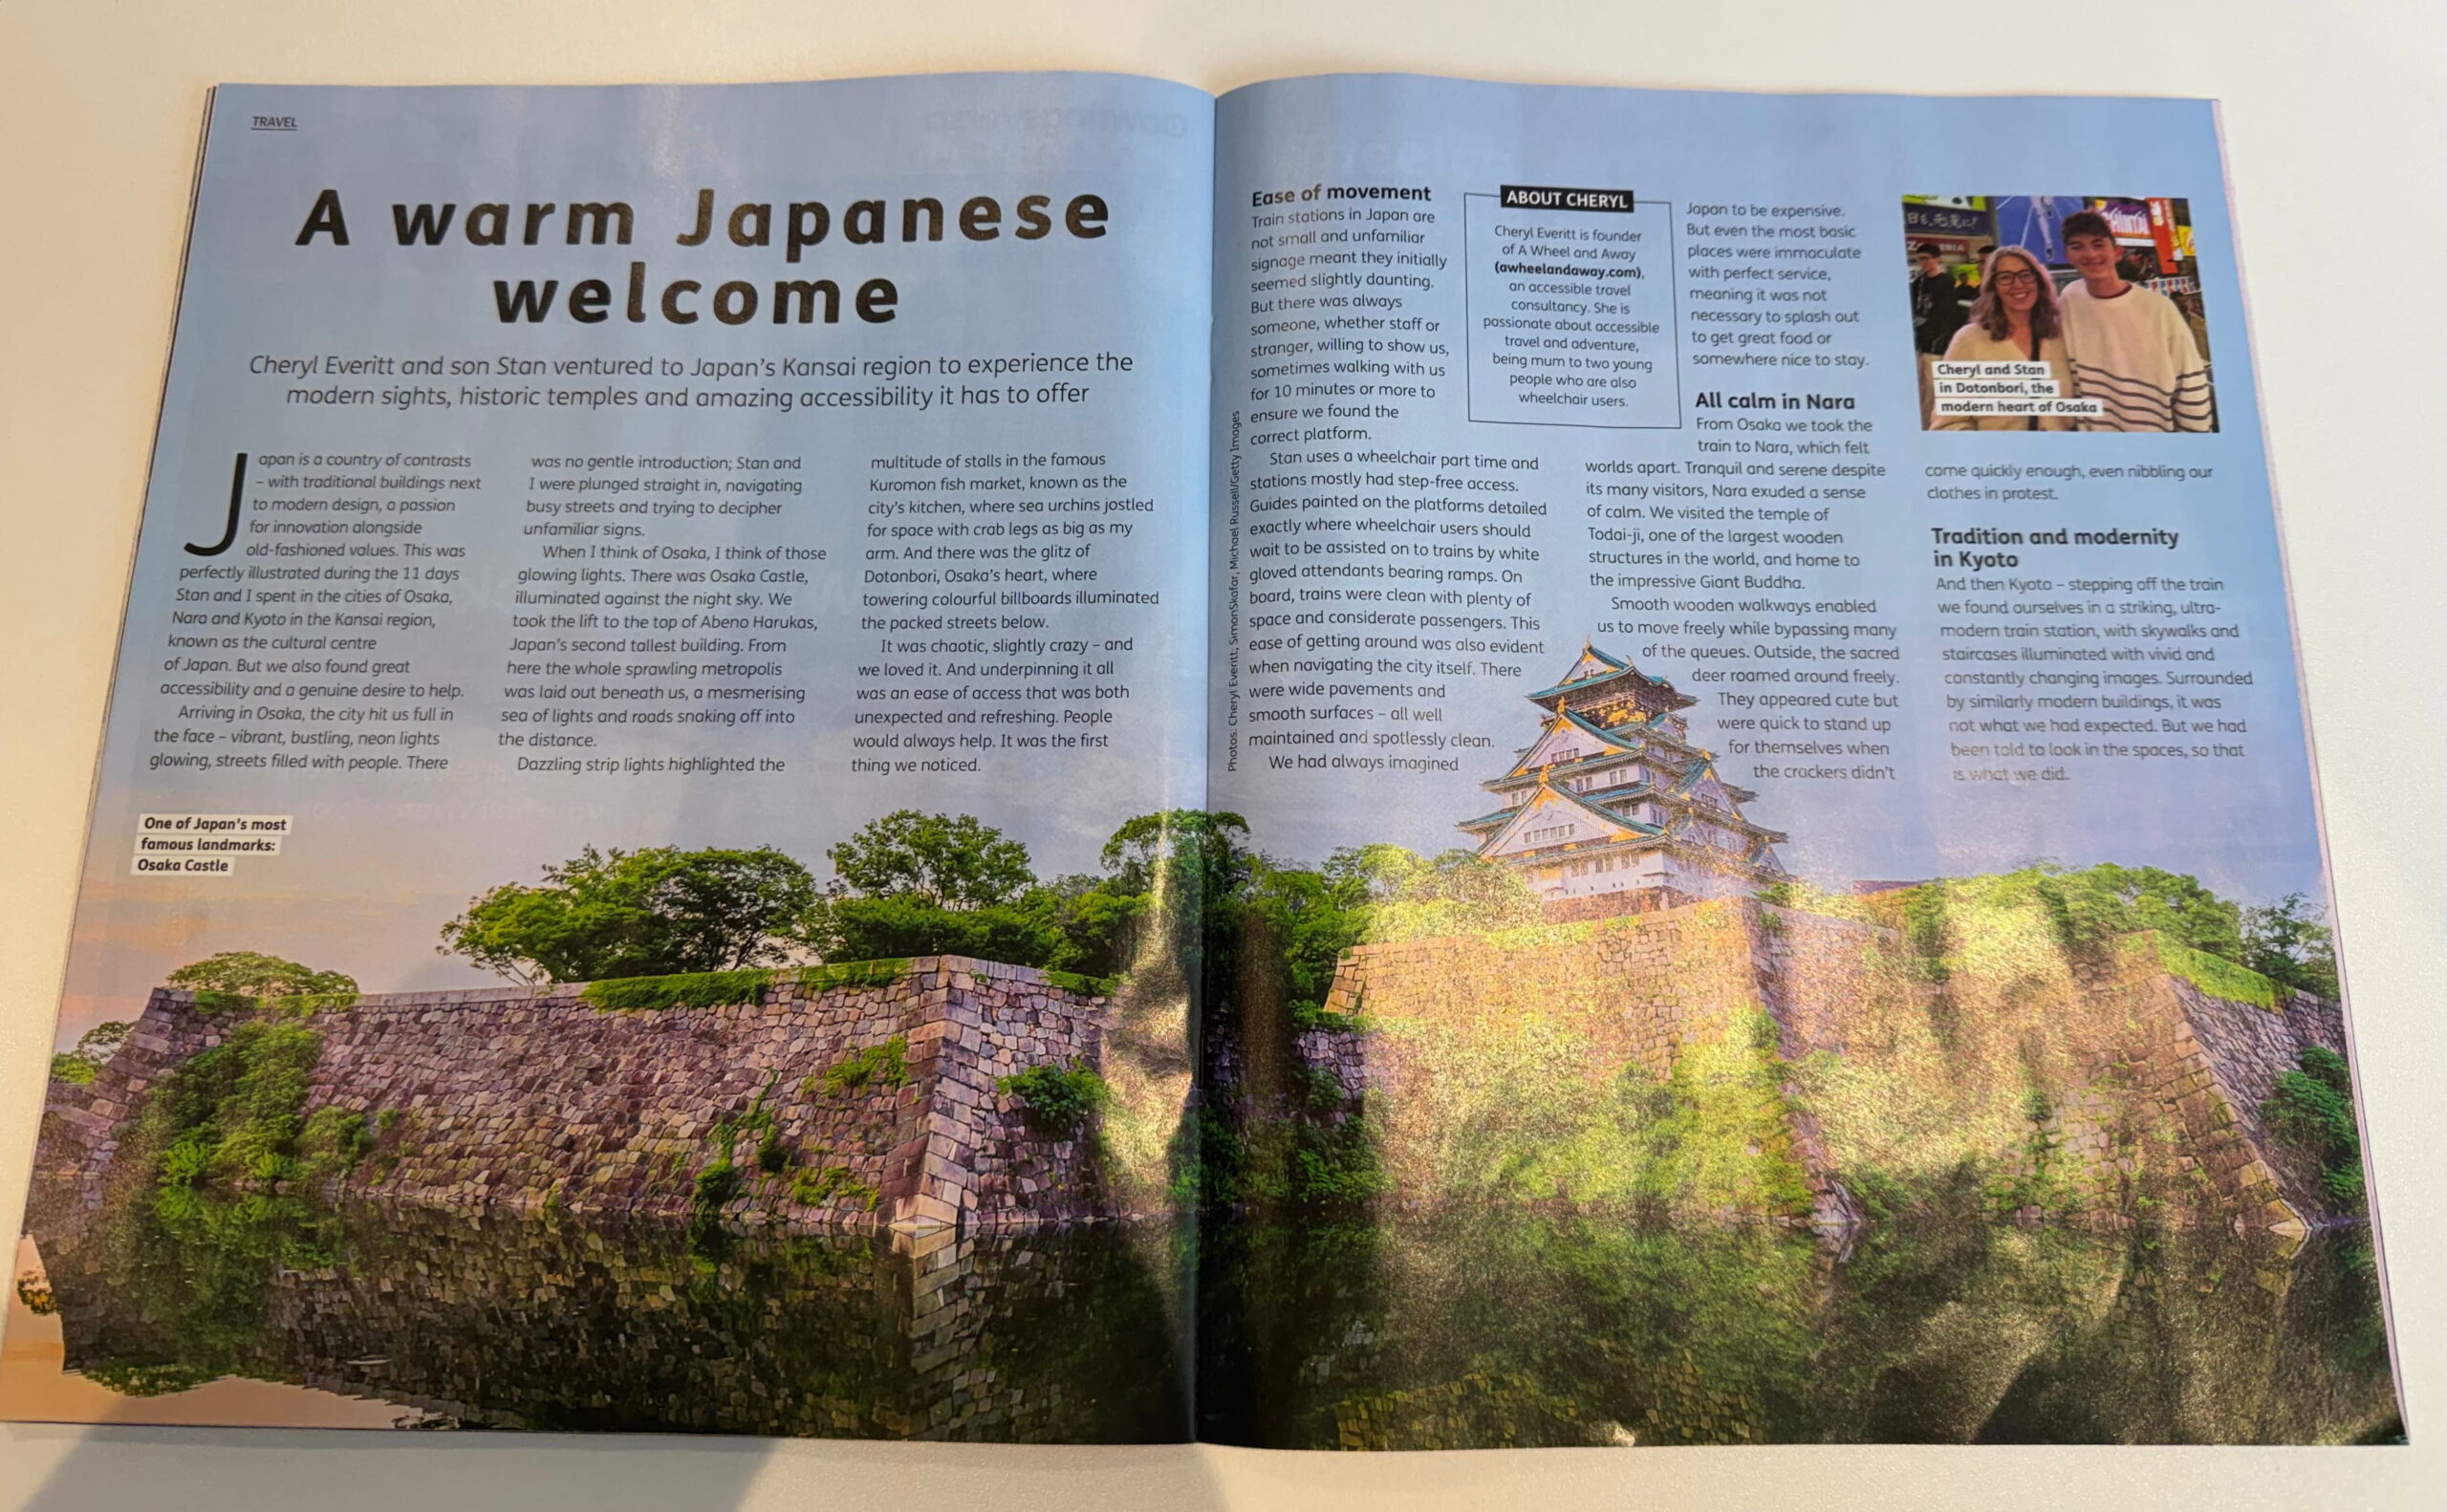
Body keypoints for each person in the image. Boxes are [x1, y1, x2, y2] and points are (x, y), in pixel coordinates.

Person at [2055, 209, 2213, 431]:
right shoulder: (2069, 299)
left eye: (2098, 244)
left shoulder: (2159, 309)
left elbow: (2191, 383)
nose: (2090, 254)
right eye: (2077, 246)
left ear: (2117, 252)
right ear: (2068, 256)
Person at [1933, 247, 2076, 431]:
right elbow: (1948, 423)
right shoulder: (1969, 340)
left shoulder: (2061, 335)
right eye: (2006, 277)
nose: (2018, 284)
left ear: (2039, 281)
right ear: (1993, 286)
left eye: (2026, 275)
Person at [1909, 243, 1965, 424]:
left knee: (1933, 388)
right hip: (1919, 343)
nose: (1922, 263)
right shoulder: (1918, 283)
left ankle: (1931, 424)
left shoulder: (1946, 282)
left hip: (1937, 343)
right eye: (1919, 259)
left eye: (1926, 258)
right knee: (1921, 387)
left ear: (1936, 259)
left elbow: (1946, 313)